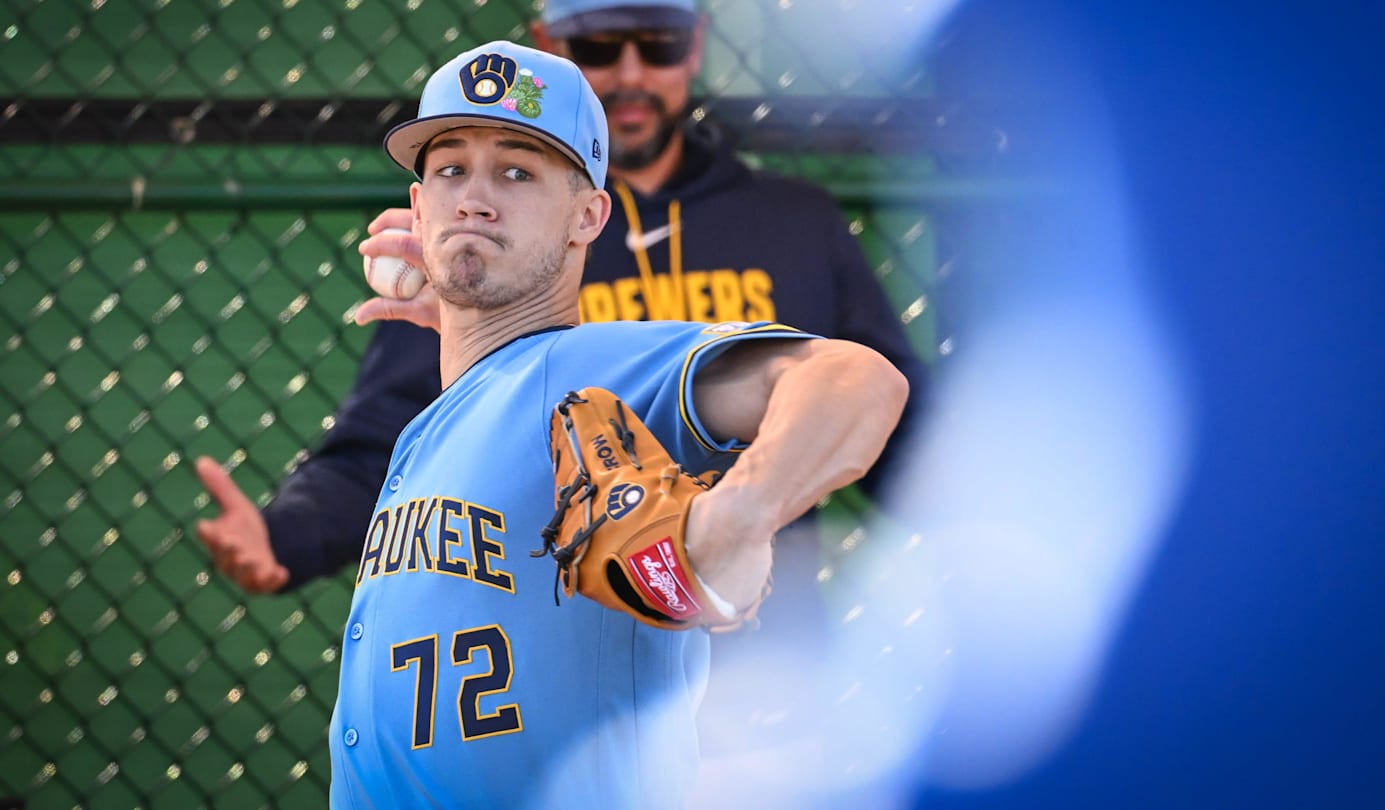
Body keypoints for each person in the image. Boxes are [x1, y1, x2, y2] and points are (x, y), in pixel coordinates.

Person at [193, 0, 925, 761]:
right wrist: (288, 534)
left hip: (754, 674)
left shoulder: (789, 224)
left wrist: (731, 520)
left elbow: (882, 407)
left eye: (660, 41)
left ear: (586, 217)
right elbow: (391, 443)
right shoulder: (478, 277)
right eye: (601, 45)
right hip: (552, 676)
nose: (634, 70)